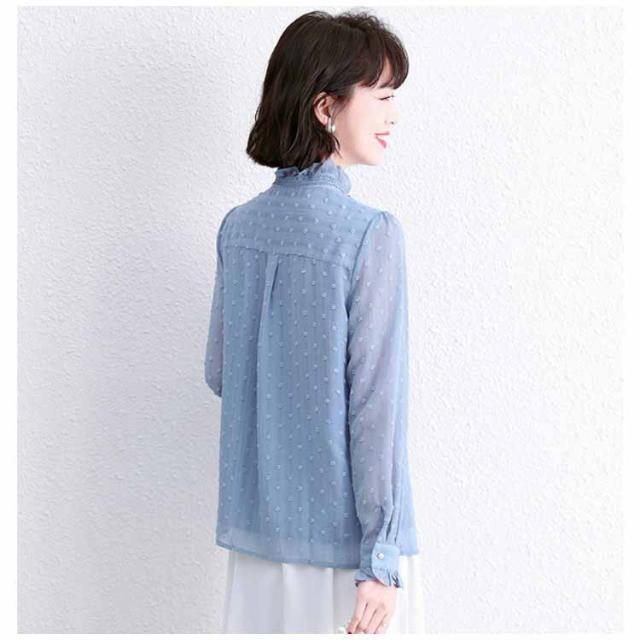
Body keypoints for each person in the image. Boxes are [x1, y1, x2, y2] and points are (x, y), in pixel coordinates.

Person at [204, 9, 425, 634]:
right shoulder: (368, 235)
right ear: (326, 107)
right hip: (350, 556)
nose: (393, 115)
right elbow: (377, 409)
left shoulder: (238, 229)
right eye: (382, 96)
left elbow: (220, 372)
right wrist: (381, 556)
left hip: (256, 543)